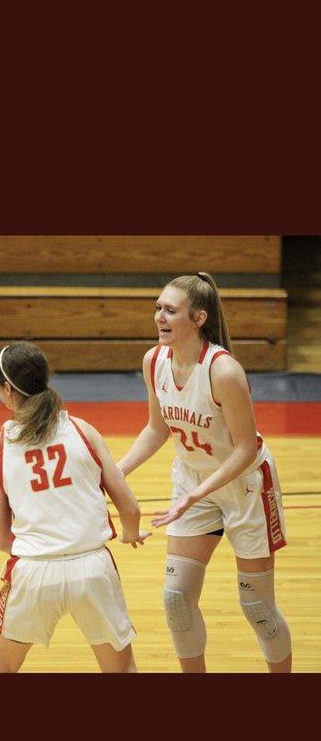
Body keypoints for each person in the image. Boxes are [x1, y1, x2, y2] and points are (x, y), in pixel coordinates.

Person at [118, 271, 292, 674]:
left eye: (170, 310)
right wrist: (117, 472)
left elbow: (245, 449)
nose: (160, 317)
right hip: (193, 481)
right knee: (176, 601)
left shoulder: (223, 371)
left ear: (199, 318)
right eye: (158, 308)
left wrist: (194, 496)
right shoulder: (154, 361)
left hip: (246, 485)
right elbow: (156, 429)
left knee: (258, 608)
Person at [0, 340, 150, 673]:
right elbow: (129, 508)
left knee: (0, 667)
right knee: (122, 671)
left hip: (33, 570)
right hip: (92, 569)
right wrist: (130, 533)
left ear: (6, 388)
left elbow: (2, 539)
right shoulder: (82, 430)